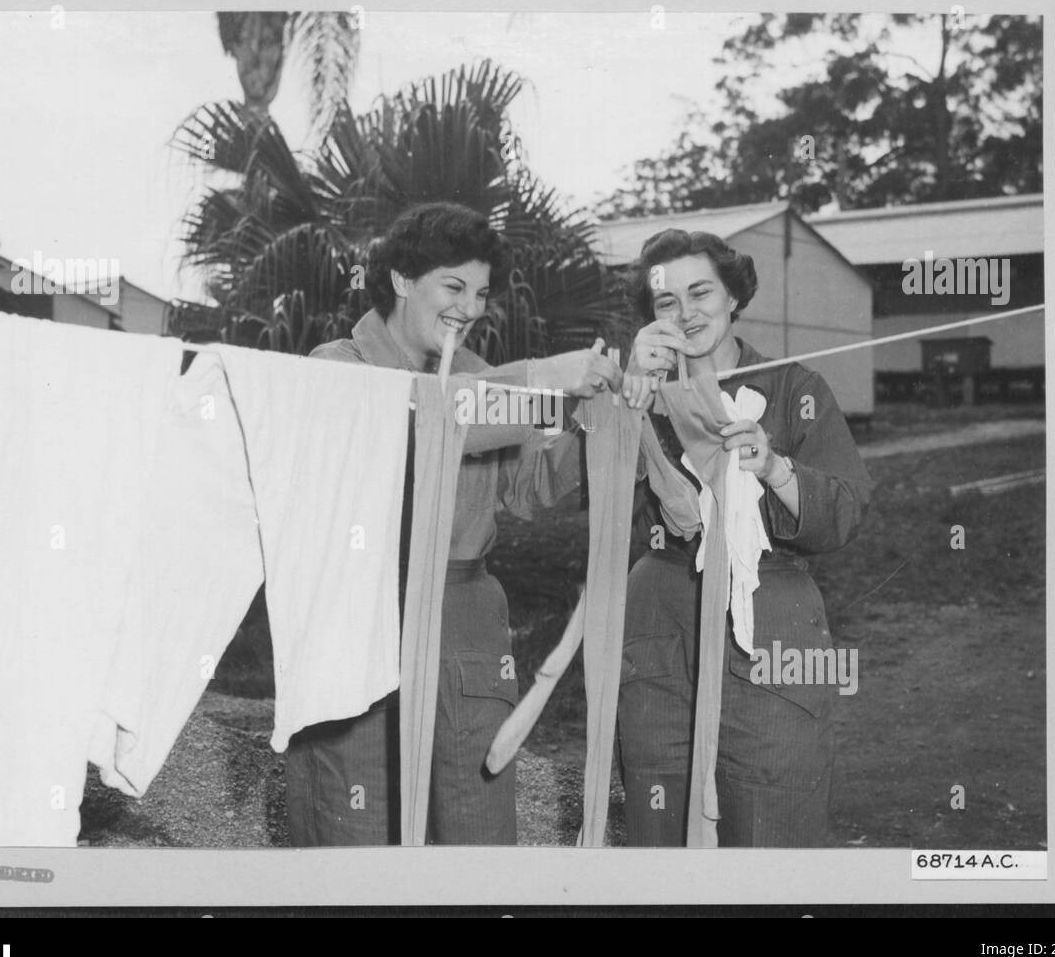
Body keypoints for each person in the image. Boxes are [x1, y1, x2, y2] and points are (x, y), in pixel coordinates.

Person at [284, 201, 622, 846]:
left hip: (465, 615)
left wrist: (589, 416)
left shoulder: (479, 376)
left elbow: (531, 488)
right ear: (402, 280)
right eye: (454, 286)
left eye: (482, 292)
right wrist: (544, 379)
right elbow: (416, 422)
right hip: (357, 613)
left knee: (478, 823)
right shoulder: (337, 365)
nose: (470, 307)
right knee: (349, 821)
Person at [616, 229, 871, 847]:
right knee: (661, 810)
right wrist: (620, 401)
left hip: (771, 610)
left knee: (771, 808)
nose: (686, 313)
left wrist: (774, 467)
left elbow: (842, 513)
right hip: (661, 611)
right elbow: (587, 500)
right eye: (666, 302)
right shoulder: (639, 396)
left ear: (733, 295)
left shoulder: (793, 389)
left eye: (700, 292)